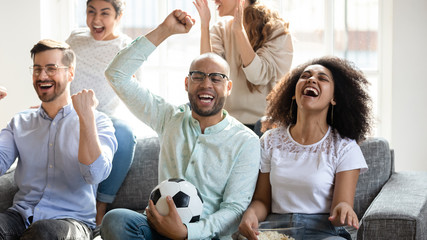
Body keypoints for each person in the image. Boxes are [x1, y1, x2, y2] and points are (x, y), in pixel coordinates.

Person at [99, 9, 261, 240]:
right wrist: (164, 31)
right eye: (198, 76)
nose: (206, 84)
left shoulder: (246, 141)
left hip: (208, 236)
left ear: (228, 87)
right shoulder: (168, 117)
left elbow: (234, 209)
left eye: (216, 78)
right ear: (187, 83)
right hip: (158, 230)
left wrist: (187, 233)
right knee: (116, 219)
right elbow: (117, 74)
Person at [238, 56, 373, 240]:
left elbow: (341, 206)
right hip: (276, 232)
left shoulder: (344, 147)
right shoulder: (270, 140)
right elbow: (262, 200)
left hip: (322, 232)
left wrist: (343, 210)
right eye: (305, 76)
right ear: (293, 93)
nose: (311, 79)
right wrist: (251, 214)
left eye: (323, 78)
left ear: (334, 98)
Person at [0, 39, 117, 239]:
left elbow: (94, 175)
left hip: (72, 221)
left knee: (43, 233)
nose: (42, 76)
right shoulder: (20, 122)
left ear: (70, 73)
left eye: (51, 68)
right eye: (37, 69)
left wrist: (86, 117)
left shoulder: (98, 121)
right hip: (20, 216)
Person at [65, 0, 139, 225]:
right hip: (71, 112)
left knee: (126, 133)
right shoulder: (75, 39)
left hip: (104, 117)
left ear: (119, 16)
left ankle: (100, 208)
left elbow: (133, 90)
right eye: (91, 12)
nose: (96, 20)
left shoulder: (126, 47)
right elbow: (59, 72)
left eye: (104, 13)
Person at [194, 0, 293, 132]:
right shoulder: (219, 29)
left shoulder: (276, 29)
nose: (215, 1)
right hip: (227, 124)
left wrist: (239, 31)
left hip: (263, 126)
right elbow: (210, 72)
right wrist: (204, 25)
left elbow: (257, 76)